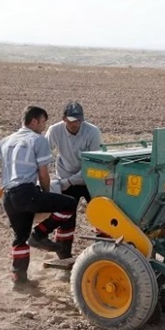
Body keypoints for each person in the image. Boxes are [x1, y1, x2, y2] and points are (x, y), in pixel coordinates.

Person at [0, 106, 78, 287]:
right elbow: (43, 174)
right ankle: (40, 235)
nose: (43, 126)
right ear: (34, 121)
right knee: (69, 204)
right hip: (27, 192)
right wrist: (47, 194)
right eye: (42, 122)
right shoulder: (38, 140)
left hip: (8, 197)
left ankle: (19, 279)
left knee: (19, 237)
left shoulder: (6, 140)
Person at [41, 101, 103, 260]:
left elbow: (92, 164)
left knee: (102, 214)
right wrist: (45, 181)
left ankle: (105, 252)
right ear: (63, 119)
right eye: (72, 120)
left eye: (79, 120)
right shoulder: (54, 131)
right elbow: (43, 155)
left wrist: (69, 181)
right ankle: (63, 257)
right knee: (66, 218)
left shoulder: (92, 132)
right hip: (65, 177)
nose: (76, 123)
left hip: (90, 179)